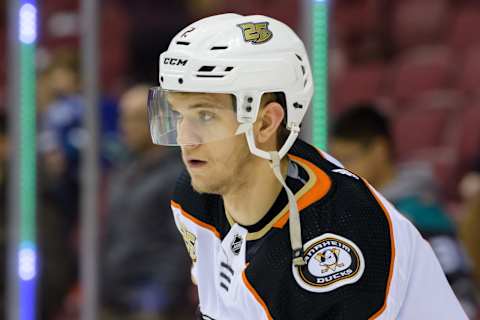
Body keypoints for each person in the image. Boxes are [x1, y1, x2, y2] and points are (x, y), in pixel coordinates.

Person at [147, 13, 467, 319]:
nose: (186, 139)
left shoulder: (345, 232)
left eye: (205, 116)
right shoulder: (195, 197)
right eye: (178, 114)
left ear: (266, 122)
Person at [329, 104, 479, 318]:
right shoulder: (352, 211)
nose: (342, 170)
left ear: (379, 150)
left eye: (348, 158)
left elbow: (460, 296)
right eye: (337, 160)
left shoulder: (421, 215)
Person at [100, 85, 193, 319]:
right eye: (123, 118)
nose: (124, 127)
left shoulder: (179, 176)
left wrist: (158, 300)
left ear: (158, 121)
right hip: (114, 299)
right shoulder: (123, 171)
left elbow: (180, 245)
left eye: (134, 119)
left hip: (153, 305)